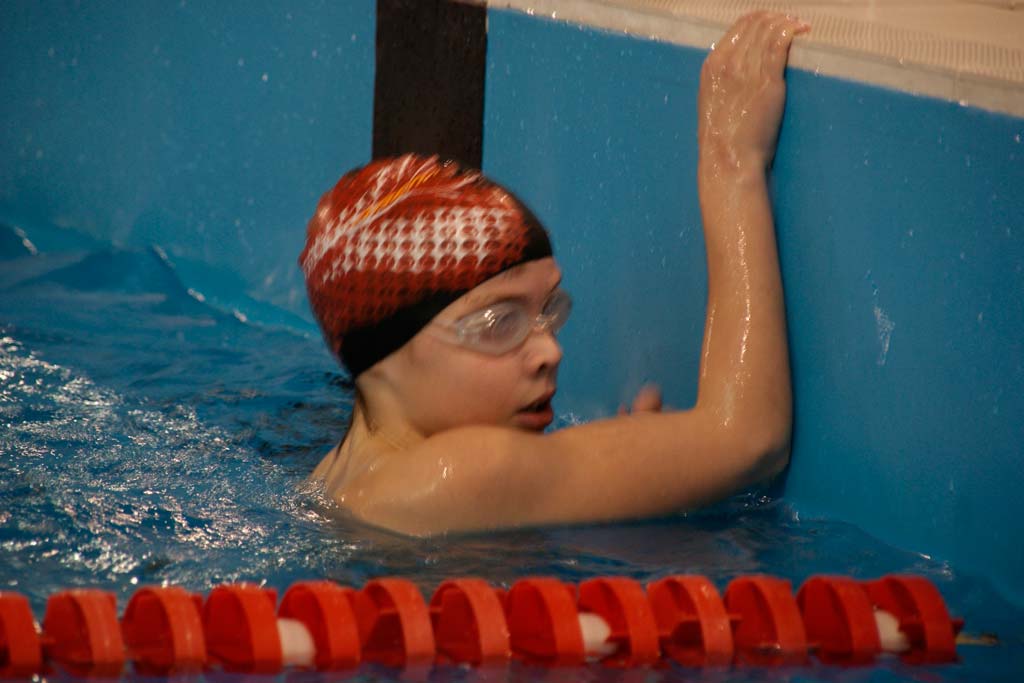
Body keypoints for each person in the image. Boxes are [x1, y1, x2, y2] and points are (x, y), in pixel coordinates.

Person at [301, 12, 807, 536]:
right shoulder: (458, 474)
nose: (549, 352)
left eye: (549, 311)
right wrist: (731, 161)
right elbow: (748, 439)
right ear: (383, 357)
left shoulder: (336, 482)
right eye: (500, 323)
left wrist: (629, 475)